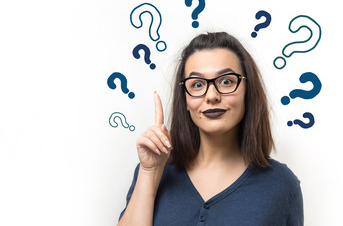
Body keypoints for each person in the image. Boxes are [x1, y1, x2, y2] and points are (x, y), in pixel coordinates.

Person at [117, 32, 303, 226]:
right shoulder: (153, 171)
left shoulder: (281, 185)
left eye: (226, 81)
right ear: (186, 101)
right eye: (197, 84)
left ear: (248, 92)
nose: (212, 96)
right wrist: (150, 172)